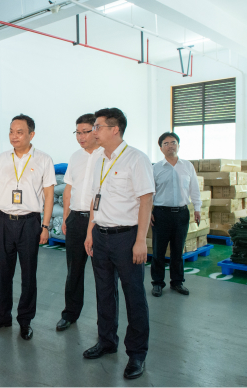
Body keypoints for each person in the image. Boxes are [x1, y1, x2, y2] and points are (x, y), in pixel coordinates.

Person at [83, 108, 154, 380]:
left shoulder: (136, 159)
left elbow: (146, 200)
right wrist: (90, 231)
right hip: (100, 235)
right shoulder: (100, 159)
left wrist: (140, 241)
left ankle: (137, 353)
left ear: (115, 129)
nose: (93, 131)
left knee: (133, 295)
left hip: (127, 237)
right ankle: (106, 340)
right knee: (104, 291)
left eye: (97, 127)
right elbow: (95, 199)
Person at [0, 114, 55, 340]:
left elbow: (49, 195)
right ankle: (2, 316)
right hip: (4, 220)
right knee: (4, 272)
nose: (14, 136)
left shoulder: (44, 160)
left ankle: (25, 320)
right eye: (11, 131)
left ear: (31, 134)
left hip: (29, 223)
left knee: (28, 274)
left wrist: (45, 226)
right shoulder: (2, 158)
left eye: (19, 132)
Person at [56, 113, 103, 332]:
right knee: (73, 270)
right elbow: (68, 189)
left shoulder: (106, 155)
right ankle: (70, 313)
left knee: (102, 274)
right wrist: (66, 217)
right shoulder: (75, 157)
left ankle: (104, 322)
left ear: (96, 130)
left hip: (100, 222)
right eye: (78, 132)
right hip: (76, 219)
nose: (81, 137)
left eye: (86, 132)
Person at [151, 132, 201, 297]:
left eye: (173, 142)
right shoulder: (155, 168)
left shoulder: (187, 166)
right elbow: (149, 192)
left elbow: (194, 189)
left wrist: (197, 208)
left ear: (178, 145)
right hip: (161, 214)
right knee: (158, 251)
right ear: (161, 148)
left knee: (178, 250)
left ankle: (177, 282)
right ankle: (157, 283)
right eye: (165, 143)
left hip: (181, 214)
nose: (170, 146)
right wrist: (149, 211)